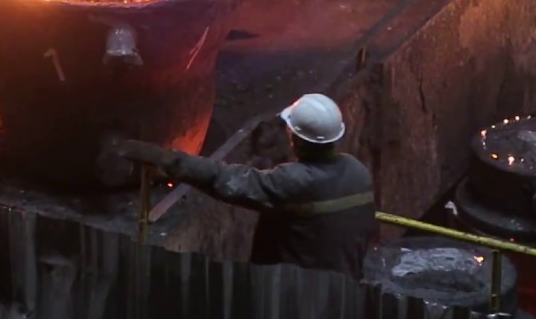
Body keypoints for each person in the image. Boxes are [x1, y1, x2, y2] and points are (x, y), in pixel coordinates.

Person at [113, 93, 376, 279]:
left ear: (296, 139)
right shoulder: (358, 171)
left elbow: (224, 179)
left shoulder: (295, 181)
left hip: (298, 293)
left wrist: (165, 159)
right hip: (344, 285)